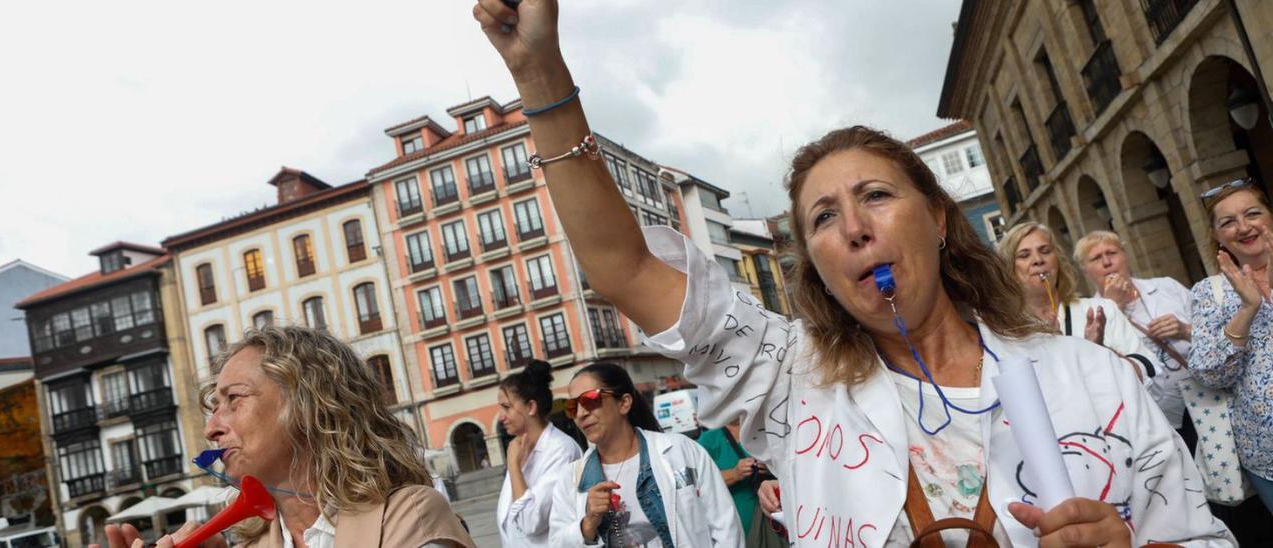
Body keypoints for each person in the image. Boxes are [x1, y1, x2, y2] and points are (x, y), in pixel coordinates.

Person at [470, 2, 1234, 544]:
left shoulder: (1091, 378)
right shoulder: (790, 379)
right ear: (820, 267)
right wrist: (541, 76)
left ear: (937, 218)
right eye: (824, 218)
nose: (856, 226)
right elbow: (625, 265)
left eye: (875, 195)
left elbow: (1201, 537)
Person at [99, 326, 474, 548]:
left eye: (234, 399)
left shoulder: (409, 515)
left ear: (311, 404)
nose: (211, 427)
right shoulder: (256, 541)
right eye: (214, 405)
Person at [545, 362, 743, 547]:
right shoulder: (571, 479)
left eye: (589, 400)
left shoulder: (681, 451)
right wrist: (587, 525)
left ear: (624, 403)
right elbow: (556, 542)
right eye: (572, 407)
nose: (581, 413)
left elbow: (725, 526)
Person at [1188, 178, 1273, 511]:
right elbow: (1210, 374)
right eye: (1227, 222)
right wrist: (1248, 309)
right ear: (1217, 235)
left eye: (1252, 213)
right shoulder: (1210, 292)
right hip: (1267, 459)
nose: (1243, 227)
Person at [998, 222, 1164, 383]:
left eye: (1045, 251)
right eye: (1024, 255)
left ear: (1058, 261)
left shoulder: (1100, 309)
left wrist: (1098, 352)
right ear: (1009, 269)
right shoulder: (1008, 332)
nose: (1038, 259)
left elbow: (1153, 375)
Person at [1073, 231, 1194, 439]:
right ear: (1085, 270)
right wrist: (1112, 307)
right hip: (1156, 420)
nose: (1107, 262)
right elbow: (1101, 364)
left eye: (1112, 252)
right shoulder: (1088, 316)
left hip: (1204, 397)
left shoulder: (1167, 287)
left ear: (1125, 255)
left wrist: (1184, 330)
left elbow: (1214, 334)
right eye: (1095, 258)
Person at [496, 360, 582, 547]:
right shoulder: (521, 449)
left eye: (506, 407)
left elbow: (530, 521)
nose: (501, 416)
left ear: (531, 407)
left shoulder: (561, 450)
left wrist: (513, 467)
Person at [696, 419, 769, 541]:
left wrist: (770, 468)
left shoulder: (763, 428)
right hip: (737, 527)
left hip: (772, 519)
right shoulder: (709, 439)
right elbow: (700, 483)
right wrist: (735, 473)